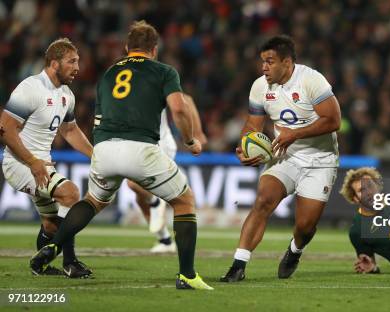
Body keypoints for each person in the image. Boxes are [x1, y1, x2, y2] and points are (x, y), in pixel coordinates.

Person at [30, 21, 213, 290]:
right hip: (140, 148)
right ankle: (187, 275)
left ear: (127, 48)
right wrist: (190, 140)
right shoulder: (164, 71)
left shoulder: (107, 74)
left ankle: (53, 247)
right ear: (154, 49)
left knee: (93, 200)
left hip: (104, 149)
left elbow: (99, 114)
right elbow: (179, 108)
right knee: (184, 201)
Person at [220, 35, 341, 282]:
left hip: (320, 160)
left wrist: (294, 134)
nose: (264, 67)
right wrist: (245, 146)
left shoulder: (312, 80)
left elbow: (333, 120)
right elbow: (252, 125)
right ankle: (238, 266)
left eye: (270, 61)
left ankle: (295, 251)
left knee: (305, 227)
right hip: (284, 156)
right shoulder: (259, 86)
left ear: (287, 62)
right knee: (263, 200)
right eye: (262, 61)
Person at [0, 38, 93, 278]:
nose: (77, 68)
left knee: (52, 226)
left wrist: (96, 156)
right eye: (72, 61)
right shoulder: (30, 88)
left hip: (41, 165)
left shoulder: (67, 95)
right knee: (70, 193)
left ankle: (39, 265)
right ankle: (70, 262)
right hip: (20, 164)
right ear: (54, 63)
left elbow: (69, 130)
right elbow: (5, 129)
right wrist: (33, 162)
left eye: (78, 62)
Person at [126, 93, 206, 253]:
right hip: (138, 144)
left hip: (159, 143)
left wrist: (197, 133)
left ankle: (156, 201)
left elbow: (186, 101)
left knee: (133, 183)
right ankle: (165, 239)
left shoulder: (155, 76)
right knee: (140, 198)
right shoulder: (121, 82)